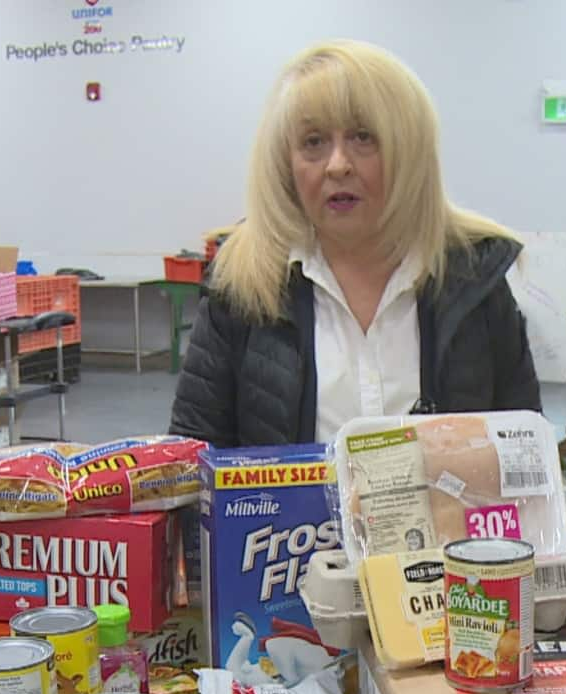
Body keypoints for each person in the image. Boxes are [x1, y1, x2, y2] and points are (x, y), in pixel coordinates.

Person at [170, 40, 540, 448]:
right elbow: (193, 468)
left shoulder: (476, 281)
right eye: (313, 142)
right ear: (285, 161)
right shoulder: (240, 287)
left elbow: (526, 460)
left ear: (408, 151)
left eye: (363, 137)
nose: (337, 165)